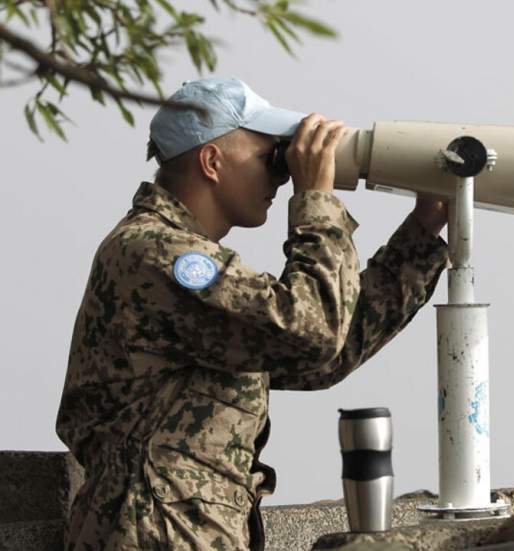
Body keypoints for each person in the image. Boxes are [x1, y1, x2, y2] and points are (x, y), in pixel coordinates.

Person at [55, 77, 450, 550]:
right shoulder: (154, 253)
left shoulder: (177, 262)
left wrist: (422, 232)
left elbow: (324, 352)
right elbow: (312, 331)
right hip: (155, 534)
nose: (283, 176)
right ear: (212, 161)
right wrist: (317, 199)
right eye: (271, 158)